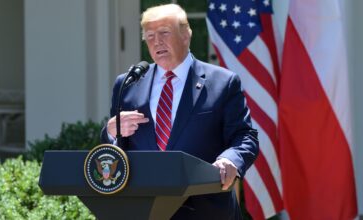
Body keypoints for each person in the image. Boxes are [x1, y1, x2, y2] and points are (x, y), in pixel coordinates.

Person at [101, 3, 258, 220]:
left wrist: (230, 160)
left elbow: (245, 136)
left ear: (186, 35)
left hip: (205, 209)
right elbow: (114, 151)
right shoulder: (128, 84)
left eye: (164, 33)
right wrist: (111, 132)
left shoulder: (223, 82)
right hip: (144, 209)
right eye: (150, 36)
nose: (157, 41)